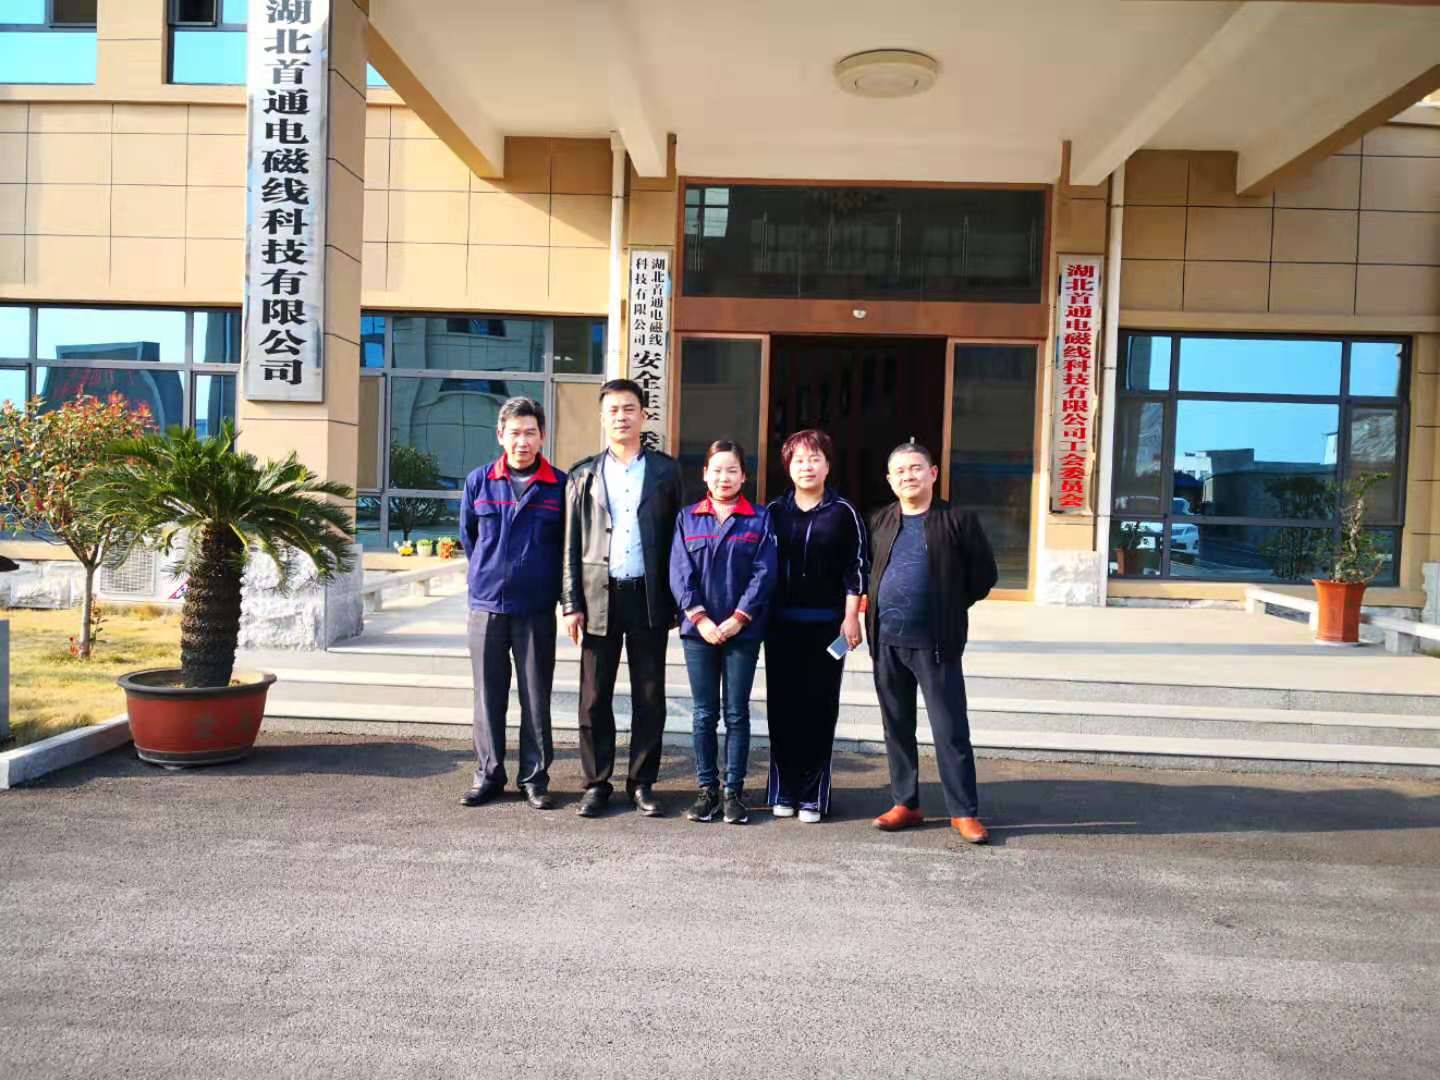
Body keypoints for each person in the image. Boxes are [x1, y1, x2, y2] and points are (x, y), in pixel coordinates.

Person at [562, 379, 686, 819]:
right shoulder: (583, 475)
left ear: (643, 415)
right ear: (602, 418)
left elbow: (680, 539)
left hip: (648, 596)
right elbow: (571, 543)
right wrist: (571, 602)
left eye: (629, 408)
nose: (621, 417)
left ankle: (642, 782)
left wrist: (680, 598)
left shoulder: (666, 472)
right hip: (599, 596)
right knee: (594, 697)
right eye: (613, 410)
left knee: (649, 697)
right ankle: (597, 783)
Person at [866, 441, 997, 844]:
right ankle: (905, 802)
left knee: (949, 729)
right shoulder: (880, 520)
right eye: (900, 471)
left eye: (916, 468)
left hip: (935, 642)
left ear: (933, 473)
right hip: (886, 641)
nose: (908, 476)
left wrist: (948, 604)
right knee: (896, 727)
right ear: (890, 480)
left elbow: (983, 576)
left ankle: (963, 811)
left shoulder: (956, 520)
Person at [458, 397, 567, 811]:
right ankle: (488, 775)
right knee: (488, 697)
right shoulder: (479, 481)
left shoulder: (559, 485)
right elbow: (470, 538)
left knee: (535, 697)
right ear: (501, 435)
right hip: (486, 605)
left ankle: (534, 778)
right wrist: (488, 574)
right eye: (515, 432)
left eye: (530, 432)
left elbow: (566, 548)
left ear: (543, 436)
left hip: (536, 607)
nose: (523, 441)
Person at [669, 440, 777, 825]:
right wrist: (700, 618)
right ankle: (706, 791)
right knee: (703, 714)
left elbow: (764, 572)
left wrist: (739, 617)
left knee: (736, 713)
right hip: (698, 631)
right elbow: (679, 571)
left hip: (742, 632)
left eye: (732, 470)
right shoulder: (687, 518)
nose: (724, 477)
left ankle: (733, 792)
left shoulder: (759, 519)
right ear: (705, 475)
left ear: (744, 476)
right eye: (716, 470)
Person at [763, 429, 867, 823]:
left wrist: (851, 616)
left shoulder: (843, 512)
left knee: (820, 707)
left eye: (815, 459)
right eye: (799, 460)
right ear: (787, 466)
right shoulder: (773, 511)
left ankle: (812, 795)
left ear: (827, 465)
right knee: (783, 708)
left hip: (827, 628)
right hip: (780, 627)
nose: (807, 466)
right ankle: (783, 790)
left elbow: (857, 568)